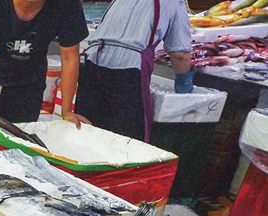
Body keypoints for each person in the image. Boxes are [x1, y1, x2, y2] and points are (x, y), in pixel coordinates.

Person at [0, 0, 88, 145]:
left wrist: (67, 111)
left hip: (29, 87)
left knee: (19, 150)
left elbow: (70, 58)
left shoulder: (67, 5)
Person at [75, 0, 193, 142]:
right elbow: (180, 54)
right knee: (126, 142)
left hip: (92, 64)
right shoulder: (174, 2)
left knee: (86, 135)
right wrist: (184, 82)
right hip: (128, 70)